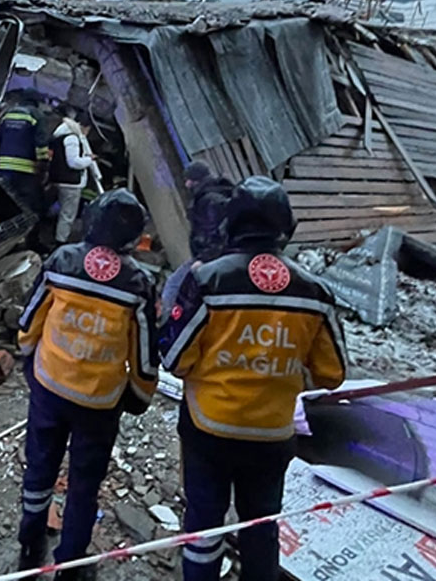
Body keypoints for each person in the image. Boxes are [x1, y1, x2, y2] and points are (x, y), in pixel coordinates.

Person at [160, 176, 346, 581]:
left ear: (230, 223)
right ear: (286, 229)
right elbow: (332, 374)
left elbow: (175, 359)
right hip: (271, 437)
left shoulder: (207, 279)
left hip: (208, 431)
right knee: (261, 530)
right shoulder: (315, 292)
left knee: (205, 529)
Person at [16, 189, 158, 580]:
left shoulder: (61, 261)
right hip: (98, 403)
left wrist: (30, 358)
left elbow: (29, 323)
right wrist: (141, 393)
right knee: (84, 483)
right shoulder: (139, 283)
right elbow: (145, 354)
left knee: (39, 469)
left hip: (49, 387)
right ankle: (72, 563)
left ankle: (30, 547)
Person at [161, 161, 235, 316]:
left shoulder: (211, 201)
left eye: (189, 179)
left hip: (210, 258)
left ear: (197, 180)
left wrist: (203, 259)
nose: (186, 184)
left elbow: (219, 234)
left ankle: (168, 326)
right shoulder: (212, 196)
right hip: (213, 257)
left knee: (173, 286)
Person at [0, 96, 50, 217]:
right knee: (27, 204)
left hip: (4, 167)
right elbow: (41, 142)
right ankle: (24, 232)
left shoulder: (8, 114)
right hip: (25, 169)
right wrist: (43, 164)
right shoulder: (36, 115)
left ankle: (3, 231)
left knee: (5, 201)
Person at [48, 115, 98, 245]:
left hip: (59, 179)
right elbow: (73, 162)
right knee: (67, 215)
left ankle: (53, 236)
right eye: (88, 130)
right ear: (84, 127)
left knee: (58, 209)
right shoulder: (72, 138)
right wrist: (89, 159)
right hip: (71, 182)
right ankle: (61, 242)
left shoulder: (60, 136)